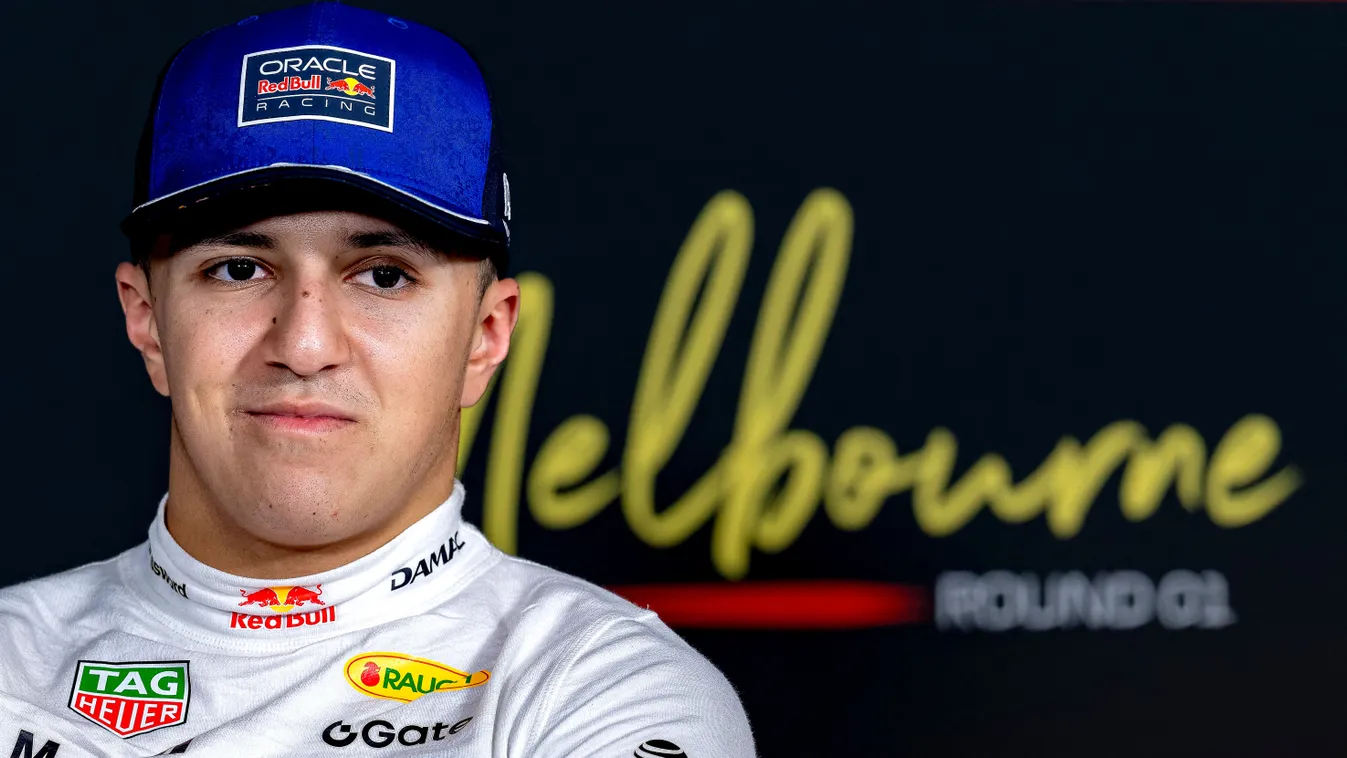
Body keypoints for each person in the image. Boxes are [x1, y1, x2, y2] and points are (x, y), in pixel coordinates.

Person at [0, 3, 754, 756]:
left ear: (485, 337)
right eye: (238, 270)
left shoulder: (602, 692)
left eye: (384, 276)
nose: (304, 346)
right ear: (146, 320)